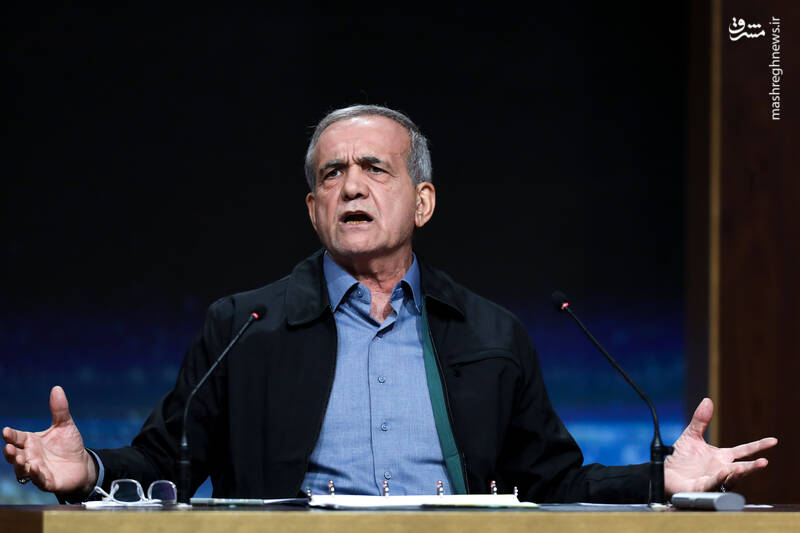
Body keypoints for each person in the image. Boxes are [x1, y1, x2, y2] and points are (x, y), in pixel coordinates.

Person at [3, 105, 777, 503]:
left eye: (375, 168)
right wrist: (87, 468)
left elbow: (555, 485)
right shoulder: (243, 326)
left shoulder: (491, 333)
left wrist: (661, 481)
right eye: (331, 174)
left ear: (424, 200)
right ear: (314, 209)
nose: (351, 185)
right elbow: (163, 462)